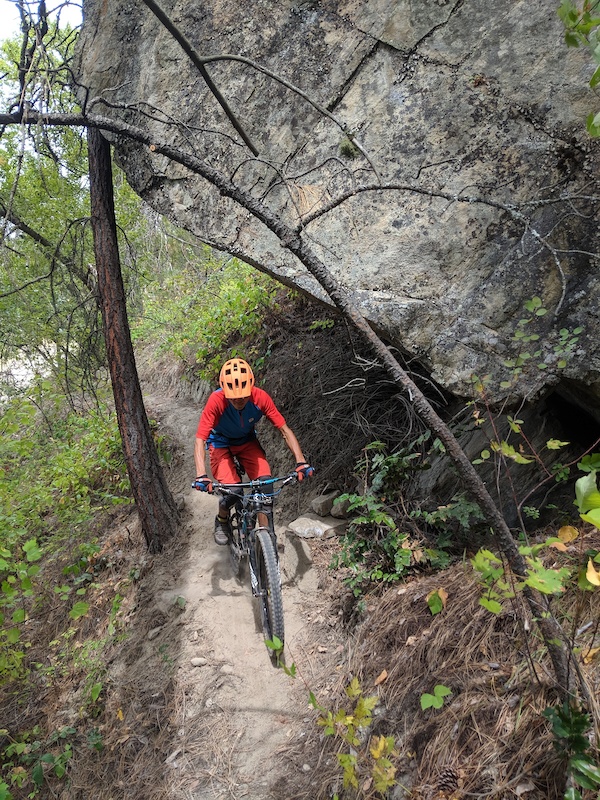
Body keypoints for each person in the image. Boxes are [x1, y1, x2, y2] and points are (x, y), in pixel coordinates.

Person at [193, 357, 314, 545]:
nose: (240, 400)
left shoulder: (260, 397)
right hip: (220, 443)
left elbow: (284, 430)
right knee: (231, 491)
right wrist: (201, 474)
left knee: (265, 486)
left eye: (244, 395)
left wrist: (301, 461)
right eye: (234, 397)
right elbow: (200, 439)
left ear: (251, 389)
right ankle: (222, 520)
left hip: (247, 441)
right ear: (225, 392)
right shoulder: (216, 401)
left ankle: (266, 540)